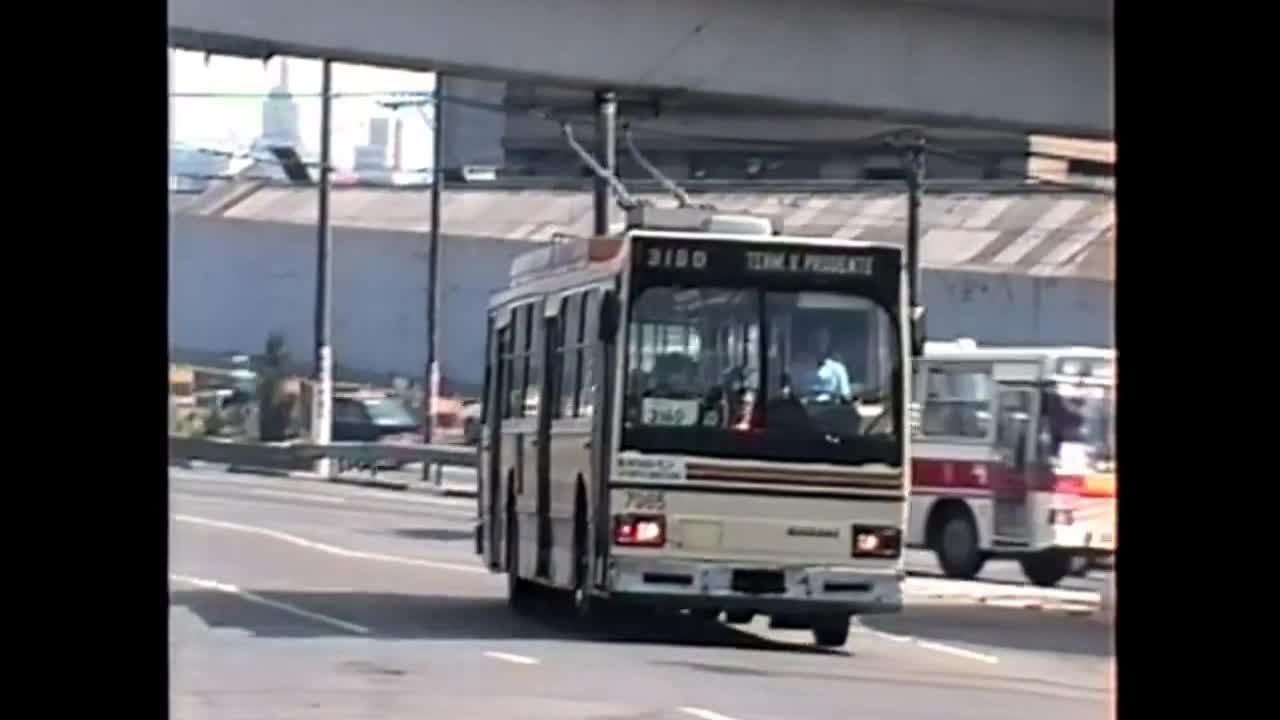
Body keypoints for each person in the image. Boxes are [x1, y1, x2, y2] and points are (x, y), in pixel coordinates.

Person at [789, 328, 852, 403]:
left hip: (831, 410)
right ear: (809, 342)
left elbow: (845, 395)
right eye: (816, 340)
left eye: (824, 340)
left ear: (829, 342)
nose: (820, 344)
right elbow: (792, 394)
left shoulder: (838, 368)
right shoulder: (797, 368)